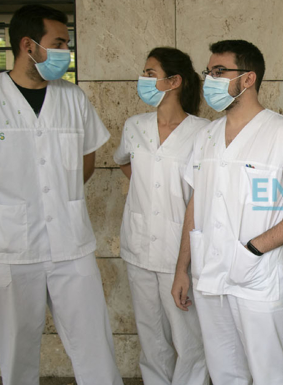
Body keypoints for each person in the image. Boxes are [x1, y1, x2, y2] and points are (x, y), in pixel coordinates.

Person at [0, 5, 122, 384]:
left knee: (95, 347)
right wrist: (1, 211)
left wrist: (55, 204)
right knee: (16, 354)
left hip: (70, 246)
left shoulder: (73, 99)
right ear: (28, 45)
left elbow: (85, 165)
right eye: (59, 43)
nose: (67, 51)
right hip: (7, 249)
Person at [170, 39, 283, 385]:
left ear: (248, 79)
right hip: (208, 273)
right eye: (209, 72)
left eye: (219, 71)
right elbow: (196, 202)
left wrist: (255, 248)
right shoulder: (205, 136)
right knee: (224, 373)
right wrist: (182, 268)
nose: (210, 79)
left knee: (269, 374)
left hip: (257, 276)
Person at [114, 47, 209, 385]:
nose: (143, 79)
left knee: (189, 339)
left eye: (150, 73)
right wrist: (151, 190)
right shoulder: (134, 126)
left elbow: (205, 193)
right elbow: (125, 161)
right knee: (151, 335)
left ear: (174, 81)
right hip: (138, 245)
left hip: (179, 251)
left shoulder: (203, 132)